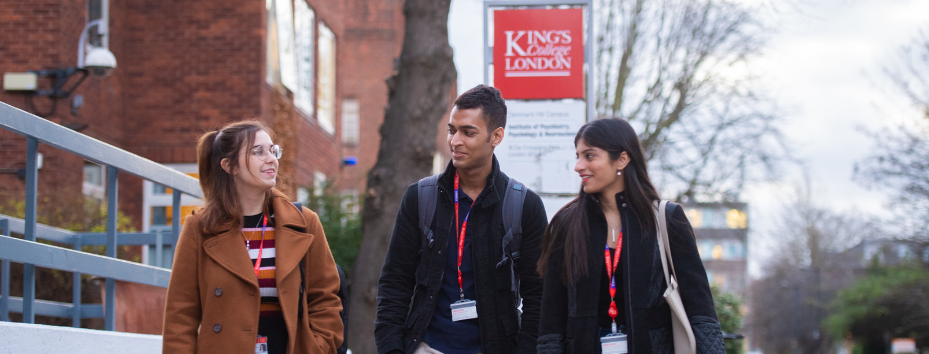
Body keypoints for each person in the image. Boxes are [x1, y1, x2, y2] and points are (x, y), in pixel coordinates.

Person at [375, 85, 548, 354]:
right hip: (425, 347)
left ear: (496, 136)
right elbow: (395, 282)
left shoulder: (524, 205)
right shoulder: (420, 198)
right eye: (451, 130)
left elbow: (539, 296)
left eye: (468, 132)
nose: (455, 141)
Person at [535, 118, 724, 354]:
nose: (578, 166)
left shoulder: (666, 218)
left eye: (590, 156)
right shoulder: (566, 224)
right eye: (578, 156)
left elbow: (700, 308)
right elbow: (552, 318)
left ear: (622, 159)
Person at [163, 121, 344, 354]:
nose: (271, 159)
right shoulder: (200, 228)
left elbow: (326, 298)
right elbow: (180, 315)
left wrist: (316, 347)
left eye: (272, 150)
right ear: (230, 166)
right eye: (258, 152)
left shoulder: (303, 223)